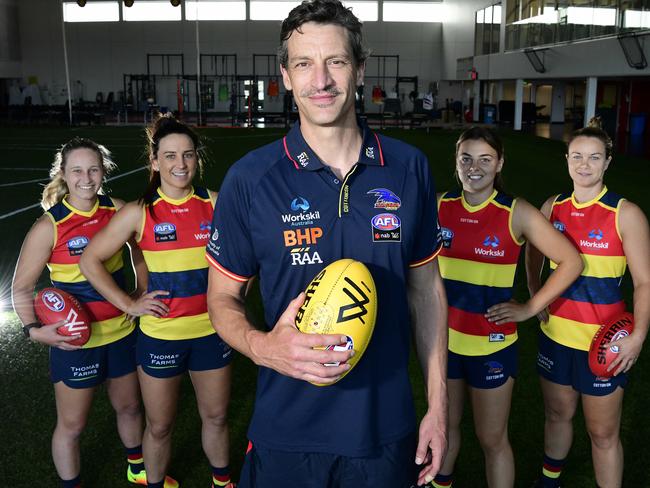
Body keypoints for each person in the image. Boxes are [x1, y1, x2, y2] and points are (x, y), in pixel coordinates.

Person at [205, 1, 448, 487]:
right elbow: (222, 298)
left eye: (335, 61)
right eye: (303, 64)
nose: (321, 80)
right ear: (286, 76)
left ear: (359, 70)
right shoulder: (251, 179)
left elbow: (426, 292)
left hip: (384, 430)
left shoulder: (408, 167)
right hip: (287, 433)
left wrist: (438, 408)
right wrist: (262, 346)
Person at [79, 115, 234, 488]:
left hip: (212, 332)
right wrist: (129, 304)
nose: (179, 165)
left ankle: (223, 482)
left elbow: (241, 261)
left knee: (215, 417)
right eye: (169, 156)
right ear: (154, 161)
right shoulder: (138, 212)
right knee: (160, 426)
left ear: (197, 159)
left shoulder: (216, 203)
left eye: (187, 155)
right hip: (161, 336)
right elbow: (89, 260)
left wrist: (233, 301)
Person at [432, 127, 583, 488]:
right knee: (444, 430)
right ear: (456, 160)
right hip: (443, 344)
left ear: (499, 163)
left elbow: (571, 261)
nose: (474, 167)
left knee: (492, 440)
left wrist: (531, 306)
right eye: (466, 158)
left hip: (492, 347)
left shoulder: (516, 212)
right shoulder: (437, 205)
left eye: (485, 159)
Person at [11, 137, 147, 488]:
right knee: (72, 425)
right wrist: (32, 330)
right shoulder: (50, 226)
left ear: (103, 172)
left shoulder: (117, 209)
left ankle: (137, 467)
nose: (86, 178)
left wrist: (138, 292)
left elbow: (140, 254)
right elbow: (23, 287)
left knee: (131, 408)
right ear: (64, 175)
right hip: (74, 344)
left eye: (93, 169)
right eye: (77, 171)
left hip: (121, 333)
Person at [526, 118, 650, 488]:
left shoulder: (625, 214)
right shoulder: (552, 207)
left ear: (608, 162)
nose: (584, 165)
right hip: (556, 336)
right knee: (557, 414)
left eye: (594, 157)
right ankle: (550, 482)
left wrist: (639, 336)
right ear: (566, 159)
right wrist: (535, 291)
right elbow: (532, 254)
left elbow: (644, 282)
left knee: (602, 432)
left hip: (604, 344)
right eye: (577, 156)